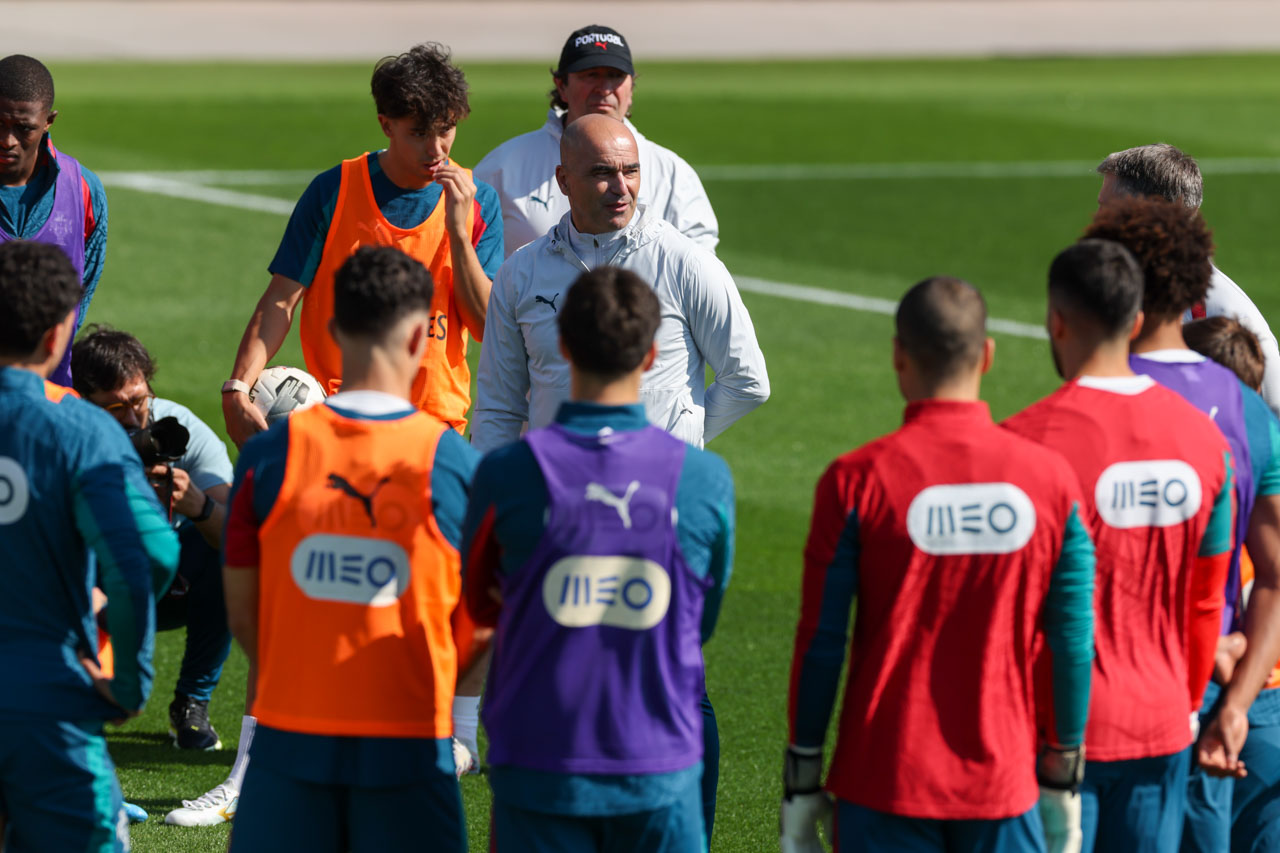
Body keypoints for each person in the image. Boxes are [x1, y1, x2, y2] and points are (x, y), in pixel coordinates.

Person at [783, 276, 1096, 853]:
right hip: (1003, 787)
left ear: (898, 355)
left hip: (883, 783)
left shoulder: (855, 480)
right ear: (989, 355)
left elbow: (821, 640)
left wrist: (802, 776)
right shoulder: (1051, 480)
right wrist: (1063, 767)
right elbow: (1072, 638)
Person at [462, 265, 733, 852]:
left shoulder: (505, 474)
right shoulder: (704, 479)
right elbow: (699, 620)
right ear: (652, 353)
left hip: (538, 763)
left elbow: (477, 607)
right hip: (657, 766)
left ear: (562, 346)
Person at [223, 246, 483, 853]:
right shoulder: (457, 466)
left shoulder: (267, 458)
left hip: (288, 746)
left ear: (336, 330)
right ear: (422, 335)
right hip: (411, 750)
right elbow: (484, 624)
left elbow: (244, 614)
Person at [1003, 239, 1235, 851]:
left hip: (1051, 733)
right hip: (1162, 724)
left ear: (1056, 322)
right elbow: (1207, 602)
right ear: (1135, 322)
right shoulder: (1205, 441)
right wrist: (1182, 706)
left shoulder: (1021, 446)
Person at [1083, 196, 1280, 852]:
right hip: (1214, 696)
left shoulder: (1076, 415)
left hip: (1101, 712)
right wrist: (1236, 700)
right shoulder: (1251, 415)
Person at [221, 42, 502, 447]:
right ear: (386, 125)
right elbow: (281, 299)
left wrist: (459, 232)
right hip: (342, 422)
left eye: (446, 130)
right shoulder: (333, 191)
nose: (436, 149)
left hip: (435, 429)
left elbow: (483, 326)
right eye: (419, 134)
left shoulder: (477, 201)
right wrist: (237, 386)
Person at [0, 240, 178, 852]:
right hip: (43, 701)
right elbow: (149, 555)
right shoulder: (81, 431)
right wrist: (127, 681)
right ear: (57, 338)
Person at [473, 113, 768, 453]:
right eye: (602, 172)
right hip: (556, 490)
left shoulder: (688, 264)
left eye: (631, 170)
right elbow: (499, 406)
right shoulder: (520, 272)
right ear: (564, 180)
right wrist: (489, 490)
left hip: (657, 490)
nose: (621, 187)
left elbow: (747, 379)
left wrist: (674, 446)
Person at [475, 24, 717, 258]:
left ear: (631, 88)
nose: (604, 88)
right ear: (561, 85)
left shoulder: (673, 174)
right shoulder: (502, 167)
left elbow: (701, 268)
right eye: (591, 75)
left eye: (615, 76)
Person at [1095, 143, 1280, 417]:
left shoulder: (1229, 317)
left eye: (1106, 208)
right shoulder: (1117, 291)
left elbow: (1268, 430)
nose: (1097, 220)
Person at [0, 55, 109, 388]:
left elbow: (79, 294)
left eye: (24, 128)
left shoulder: (84, 190)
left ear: (49, 120)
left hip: (49, 391)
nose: (7, 140)